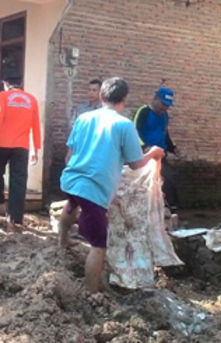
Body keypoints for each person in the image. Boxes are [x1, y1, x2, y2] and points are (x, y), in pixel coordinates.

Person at [58, 77, 164, 292]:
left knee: (71, 205)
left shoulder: (84, 118)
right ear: (124, 99)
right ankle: (91, 291)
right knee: (98, 245)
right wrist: (153, 153)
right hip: (94, 188)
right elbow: (135, 164)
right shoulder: (123, 124)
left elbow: (69, 154)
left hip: (71, 179)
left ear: (101, 96)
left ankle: (62, 241)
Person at [0, 75, 41, 232]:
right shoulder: (31, 100)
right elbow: (35, 125)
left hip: (2, 144)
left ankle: (1, 203)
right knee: (19, 182)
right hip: (22, 147)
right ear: (21, 83)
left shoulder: (2, 96)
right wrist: (36, 149)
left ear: (5, 83)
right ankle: (15, 220)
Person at [134, 87, 181, 228]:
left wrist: (173, 148)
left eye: (167, 106)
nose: (164, 108)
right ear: (155, 99)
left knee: (169, 181)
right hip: (145, 156)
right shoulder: (144, 112)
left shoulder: (165, 116)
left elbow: (165, 134)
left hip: (160, 155)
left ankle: (172, 213)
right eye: (162, 104)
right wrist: (145, 147)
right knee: (146, 185)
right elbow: (134, 132)